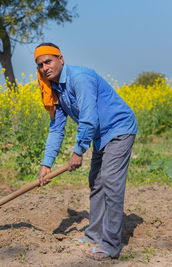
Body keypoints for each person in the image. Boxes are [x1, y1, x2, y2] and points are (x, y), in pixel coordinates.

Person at [35, 43, 138, 261]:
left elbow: (89, 118)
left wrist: (78, 151)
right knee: (96, 181)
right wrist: (46, 164)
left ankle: (110, 245)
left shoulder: (80, 78)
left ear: (60, 59)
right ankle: (94, 234)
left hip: (119, 128)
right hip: (101, 134)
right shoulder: (56, 90)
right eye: (40, 65)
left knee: (110, 181)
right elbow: (56, 129)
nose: (44, 68)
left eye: (48, 61)